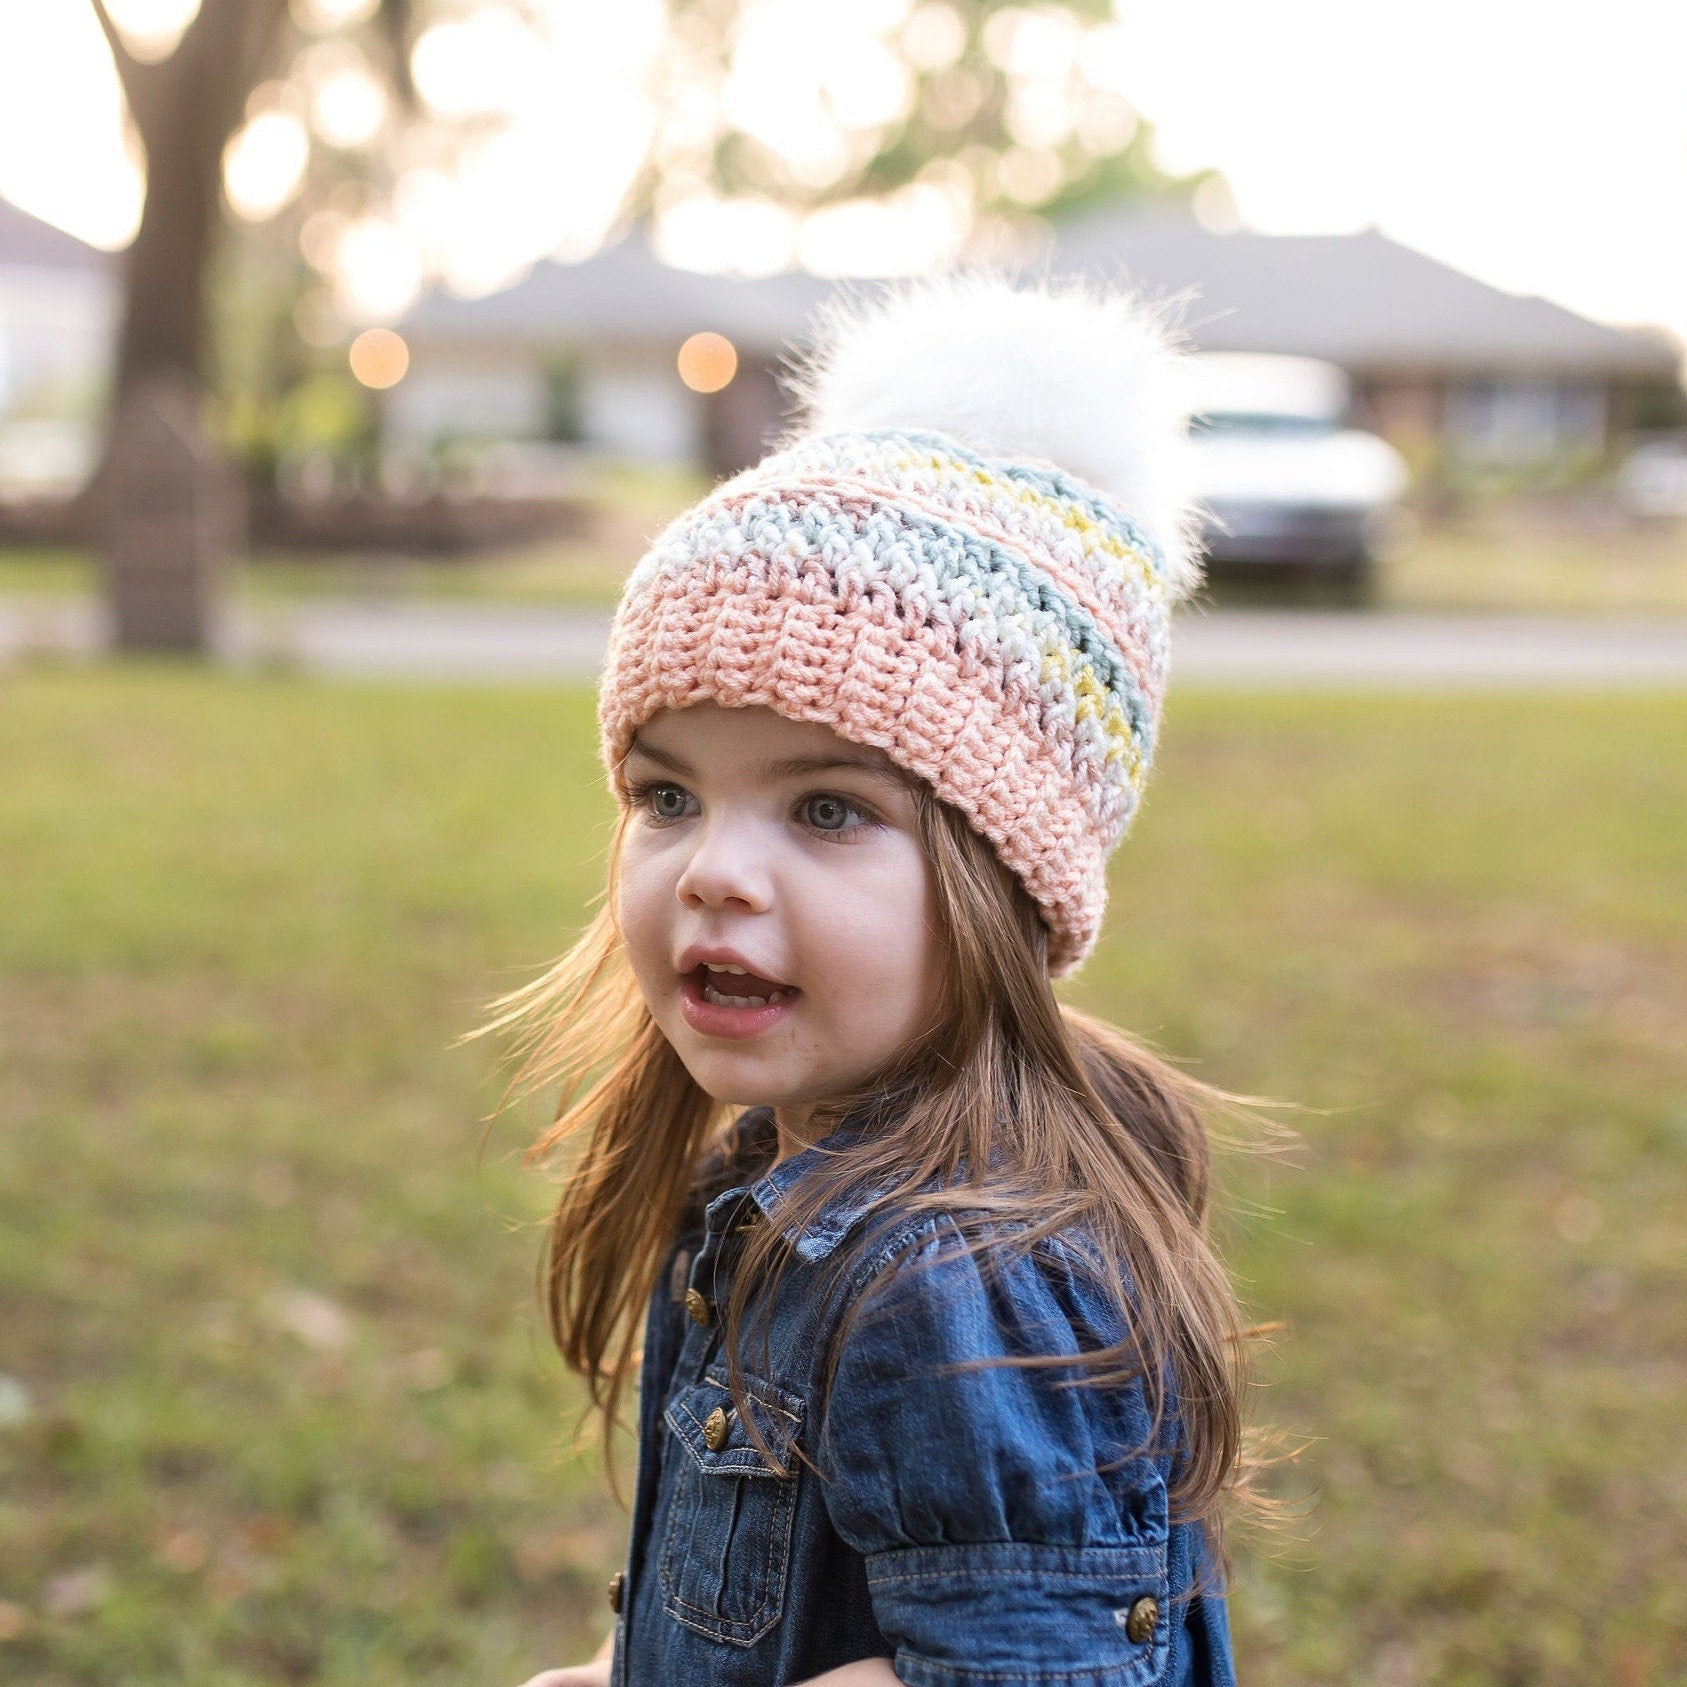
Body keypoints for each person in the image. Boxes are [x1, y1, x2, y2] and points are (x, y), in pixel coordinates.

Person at [478, 273, 1280, 1687]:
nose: (715, 871)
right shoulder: (786, 1184)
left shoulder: (954, 1287)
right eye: (668, 798)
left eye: (829, 812)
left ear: (1006, 882)